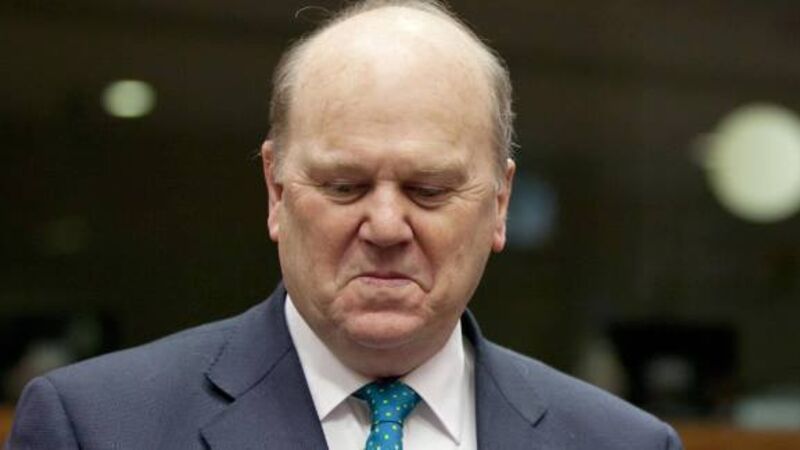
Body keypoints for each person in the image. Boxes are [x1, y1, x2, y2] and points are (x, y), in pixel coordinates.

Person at [7, 1, 683, 449]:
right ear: (276, 191)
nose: (385, 226)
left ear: (500, 204)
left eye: (428, 189)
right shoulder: (93, 428)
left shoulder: (624, 444)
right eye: (343, 186)